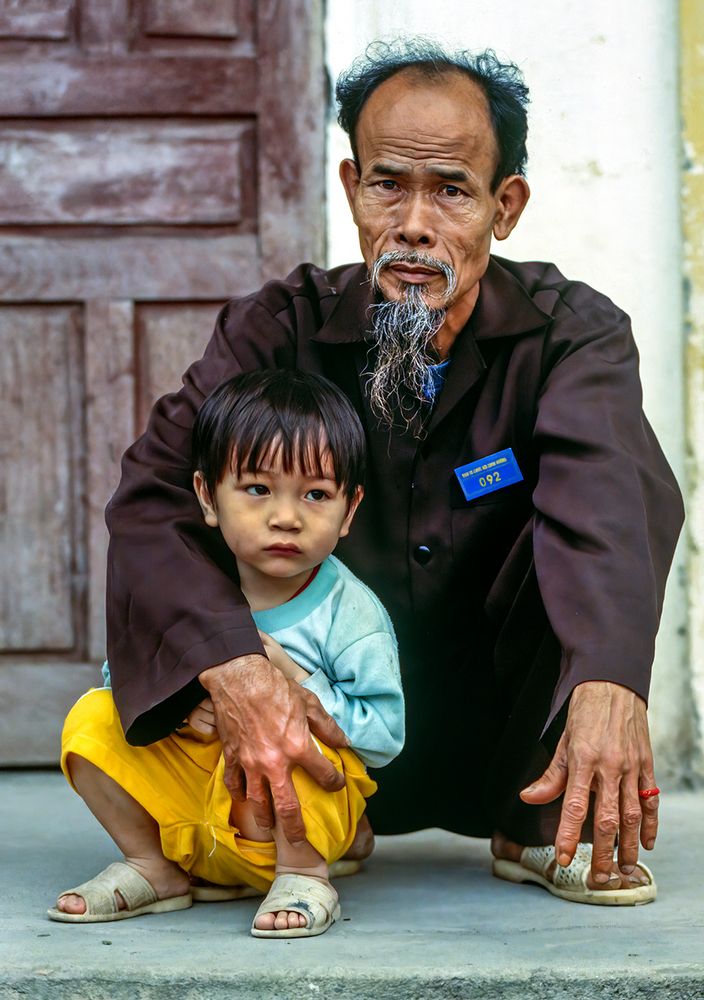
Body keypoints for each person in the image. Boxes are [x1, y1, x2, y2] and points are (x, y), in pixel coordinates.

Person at [94, 39, 682, 906]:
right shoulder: (277, 326)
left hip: (505, 746)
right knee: (220, 498)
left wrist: (611, 677)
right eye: (387, 184)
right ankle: (296, 825)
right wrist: (237, 667)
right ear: (350, 189)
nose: (414, 222)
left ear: (504, 205)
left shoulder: (573, 334)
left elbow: (609, 498)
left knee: (613, 493)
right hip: (318, 737)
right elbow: (150, 499)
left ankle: (536, 828)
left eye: (451, 189)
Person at [49, 371, 404, 936]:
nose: (286, 516)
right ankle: (153, 866)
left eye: (315, 494)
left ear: (350, 509)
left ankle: (307, 872)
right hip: (192, 810)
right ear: (207, 497)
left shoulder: (349, 611)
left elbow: (385, 734)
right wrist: (185, 707)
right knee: (91, 720)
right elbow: (124, 676)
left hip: (281, 823)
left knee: (288, 733)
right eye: (258, 489)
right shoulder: (189, 587)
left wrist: (299, 686)